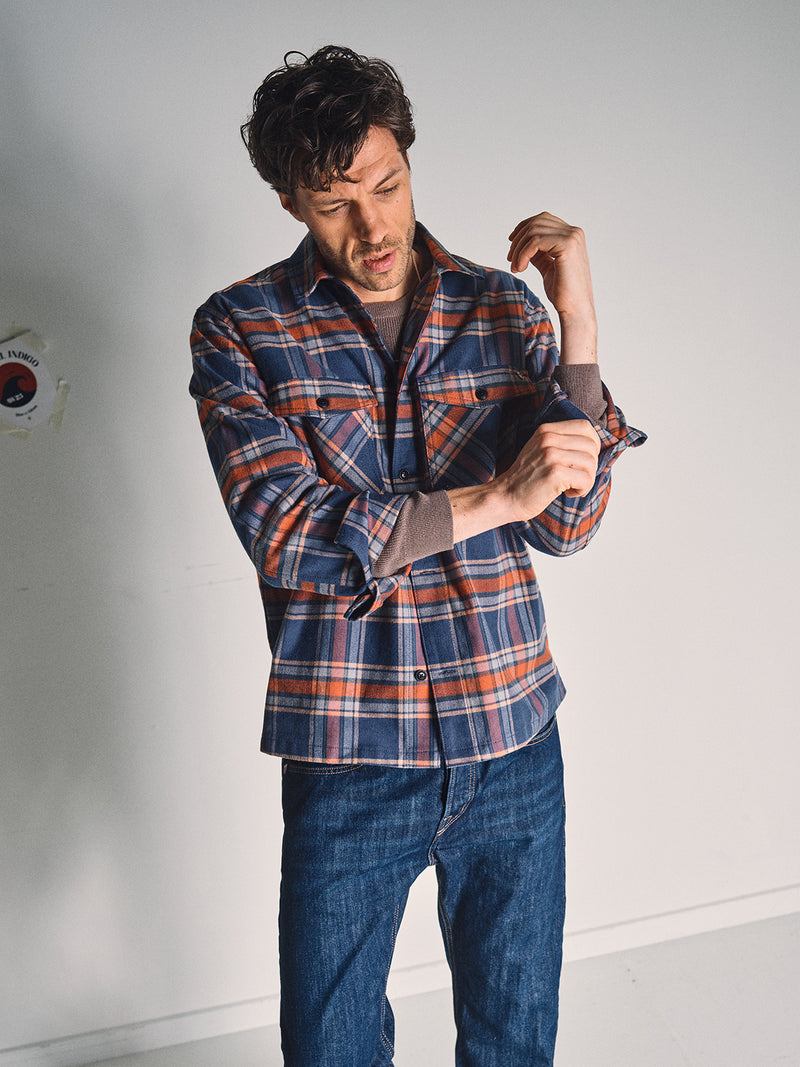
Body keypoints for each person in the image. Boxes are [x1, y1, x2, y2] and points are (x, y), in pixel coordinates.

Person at [190, 44, 644, 1067]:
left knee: (511, 1039)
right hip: (351, 749)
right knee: (333, 1045)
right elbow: (289, 530)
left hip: (511, 732)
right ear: (286, 200)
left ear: (407, 163)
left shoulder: (500, 306)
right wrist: (496, 494)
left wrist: (576, 324)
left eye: (388, 185)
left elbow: (564, 523)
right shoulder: (240, 330)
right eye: (333, 201)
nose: (373, 225)